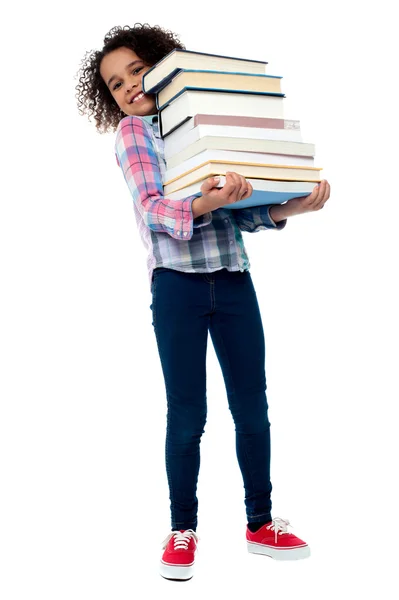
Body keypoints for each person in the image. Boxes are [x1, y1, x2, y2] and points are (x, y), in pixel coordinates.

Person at [76, 22, 331, 581]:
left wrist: (292, 207)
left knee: (252, 406)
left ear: (165, 64)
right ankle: (182, 529)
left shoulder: (204, 121)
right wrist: (201, 202)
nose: (128, 86)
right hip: (177, 288)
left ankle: (261, 524)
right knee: (188, 413)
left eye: (136, 70)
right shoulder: (134, 134)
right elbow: (154, 209)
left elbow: (240, 212)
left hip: (234, 280)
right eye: (115, 83)